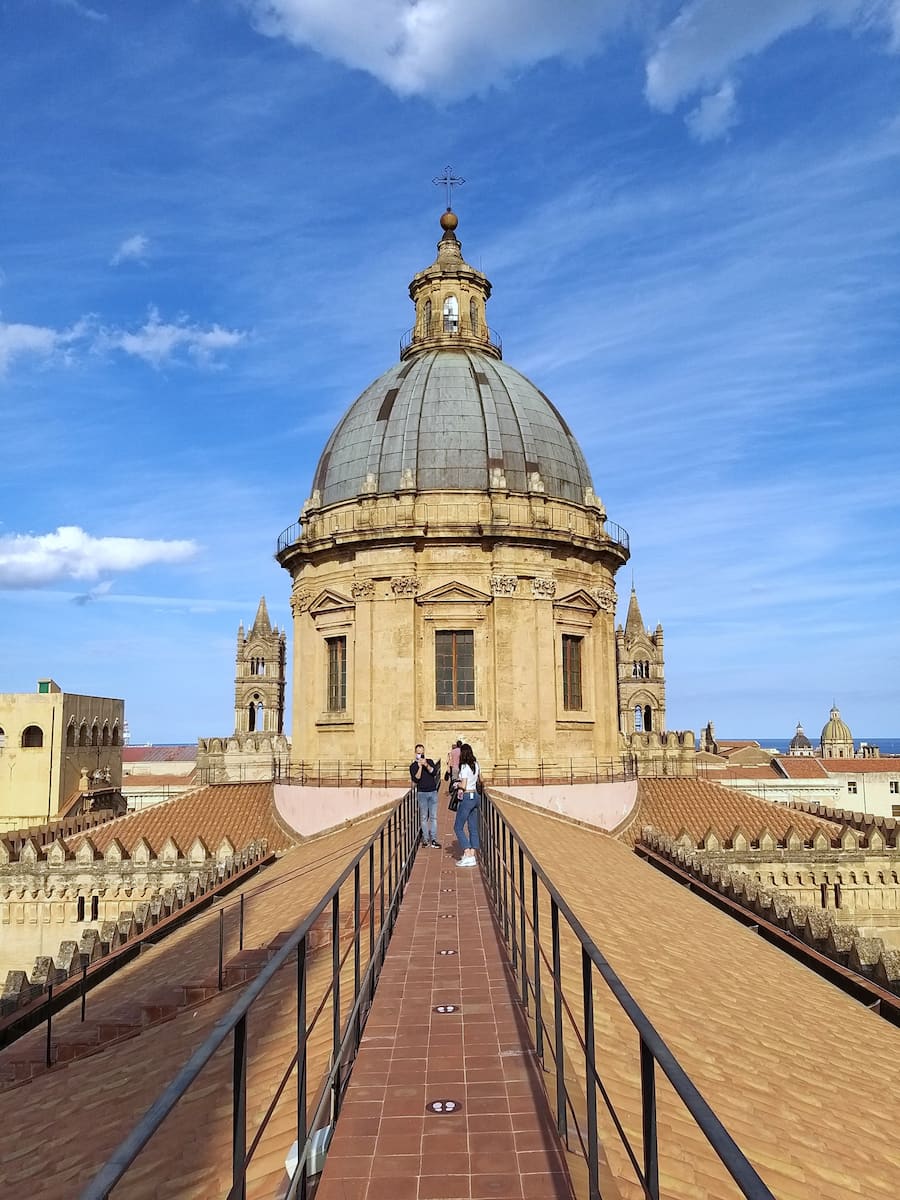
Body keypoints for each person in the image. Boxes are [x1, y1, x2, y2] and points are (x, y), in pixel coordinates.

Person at [454, 743, 481, 867]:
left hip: (467, 797)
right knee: (473, 827)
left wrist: (456, 785)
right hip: (475, 796)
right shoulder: (476, 765)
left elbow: (463, 786)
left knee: (458, 827)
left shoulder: (464, 767)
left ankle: (467, 851)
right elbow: (480, 780)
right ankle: (472, 853)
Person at [410, 743, 441, 848]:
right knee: (423, 817)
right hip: (422, 793)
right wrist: (419, 767)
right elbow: (416, 779)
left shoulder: (430, 761)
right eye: (418, 753)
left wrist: (426, 765)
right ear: (415, 754)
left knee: (433, 817)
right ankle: (426, 839)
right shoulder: (413, 766)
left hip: (432, 791)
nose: (420, 755)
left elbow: (434, 772)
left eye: (422, 753)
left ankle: (434, 839)